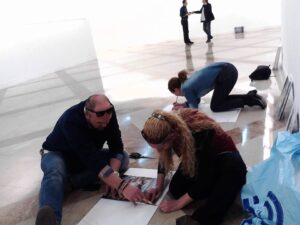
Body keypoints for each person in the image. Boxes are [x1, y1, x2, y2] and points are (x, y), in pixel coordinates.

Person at [35, 94, 145, 225]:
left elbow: (116, 146)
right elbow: (92, 160)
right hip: (57, 154)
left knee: (124, 158)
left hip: (84, 158)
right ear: (87, 115)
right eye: (100, 123)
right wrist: (122, 186)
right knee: (55, 172)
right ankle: (50, 220)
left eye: (107, 121)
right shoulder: (71, 120)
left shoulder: (107, 113)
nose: (105, 125)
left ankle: (66, 183)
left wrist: (113, 175)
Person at [142, 109, 247, 225]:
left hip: (226, 160)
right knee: (176, 189)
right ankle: (216, 185)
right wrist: (158, 186)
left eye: (161, 147)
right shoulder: (168, 125)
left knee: (212, 209)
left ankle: (220, 189)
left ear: (172, 135)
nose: (158, 151)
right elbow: (163, 156)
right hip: (201, 157)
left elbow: (206, 176)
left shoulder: (199, 134)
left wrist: (178, 204)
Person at [168, 62, 267, 112]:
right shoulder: (186, 82)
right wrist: (184, 105)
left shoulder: (185, 88)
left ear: (176, 89)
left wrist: (181, 112)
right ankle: (250, 97)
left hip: (226, 74)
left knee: (215, 106)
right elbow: (195, 100)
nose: (176, 95)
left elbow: (194, 109)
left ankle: (250, 101)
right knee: (220, 100)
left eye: (174, 93)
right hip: (227, 70)